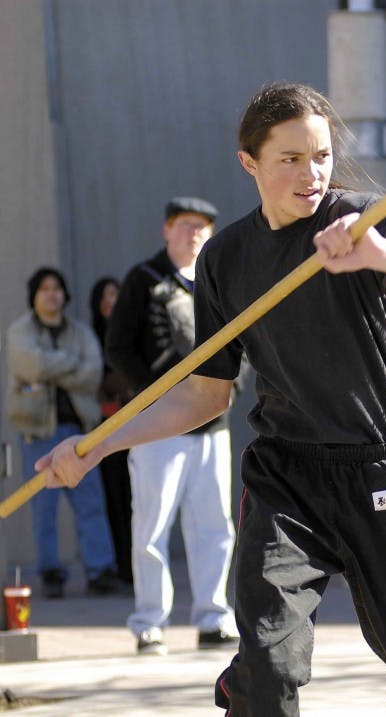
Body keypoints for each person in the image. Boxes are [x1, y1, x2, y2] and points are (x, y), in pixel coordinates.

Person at [39, 82, 386, 716]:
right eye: (291, 159)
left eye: (322, 155)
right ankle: (250, 683)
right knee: (271, 673)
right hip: (289, 479)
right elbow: (204, 398)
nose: (312, 174)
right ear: (250, 162)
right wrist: (96, 447)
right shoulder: (225, 259)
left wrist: (376, 252)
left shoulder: (357, 216)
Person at [104, 196, 240, 656]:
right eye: (185, 225)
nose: (194, 233)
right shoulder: (143, 281)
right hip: (158, 428)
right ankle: (149, 623)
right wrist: (155, 395)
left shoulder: (217, 280)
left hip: (212, 424)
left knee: (215, 526)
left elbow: (242, 343)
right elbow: (119, 347)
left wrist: (231, 388)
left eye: (202, 226)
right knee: (151, 526)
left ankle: (213, 617)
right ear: (166, 230)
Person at [4, 267, 118, 598]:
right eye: (44, 289)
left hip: (80, 431)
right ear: (34, 296)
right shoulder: (19, 331)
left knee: (91, 503)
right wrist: (70, 365)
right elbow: (29, 366)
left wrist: (50, 368)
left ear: (65, 295)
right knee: (44, 508)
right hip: (37, 432)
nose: (51, 294)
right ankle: (51, 572)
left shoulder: (80, 333)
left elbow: (92, 372)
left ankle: (100, 570)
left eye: (57, 288)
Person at [89, 276, 134, 585]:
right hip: (101, 431)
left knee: (134, 499)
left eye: (115, 295)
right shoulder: (90, 337)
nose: (110, 301)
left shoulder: (131, 337)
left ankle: (133, 569)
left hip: (132, 429)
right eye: (105, 295)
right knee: (111, 500)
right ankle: (117, 566)